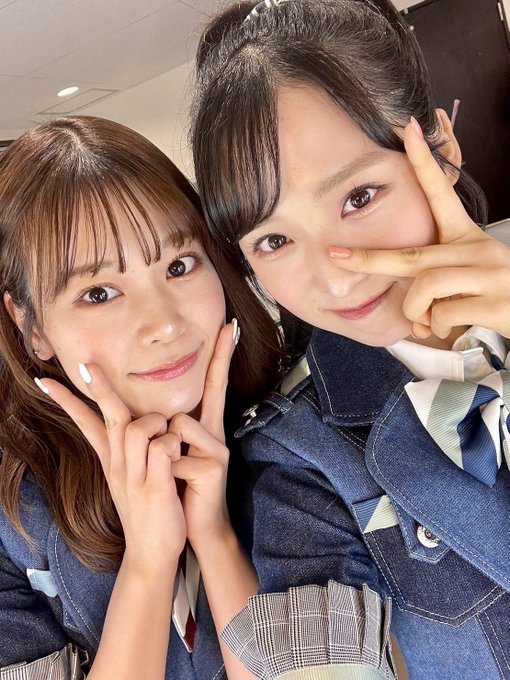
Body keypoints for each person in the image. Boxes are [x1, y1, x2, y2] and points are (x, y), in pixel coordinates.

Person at [190, 1, 510, 678]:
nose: (335, 278)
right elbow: (315, 662)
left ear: (442, 149)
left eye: (359, 197)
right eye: (274, 241)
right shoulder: (300, 455)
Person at [0, 116, 284, 680]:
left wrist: (217, 539)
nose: (163, 324)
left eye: (179, 265)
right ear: (31, 326)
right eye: (99, 293)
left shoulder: (307, 445)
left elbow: (330, 667)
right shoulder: (13, 522)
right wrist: (148, 563)